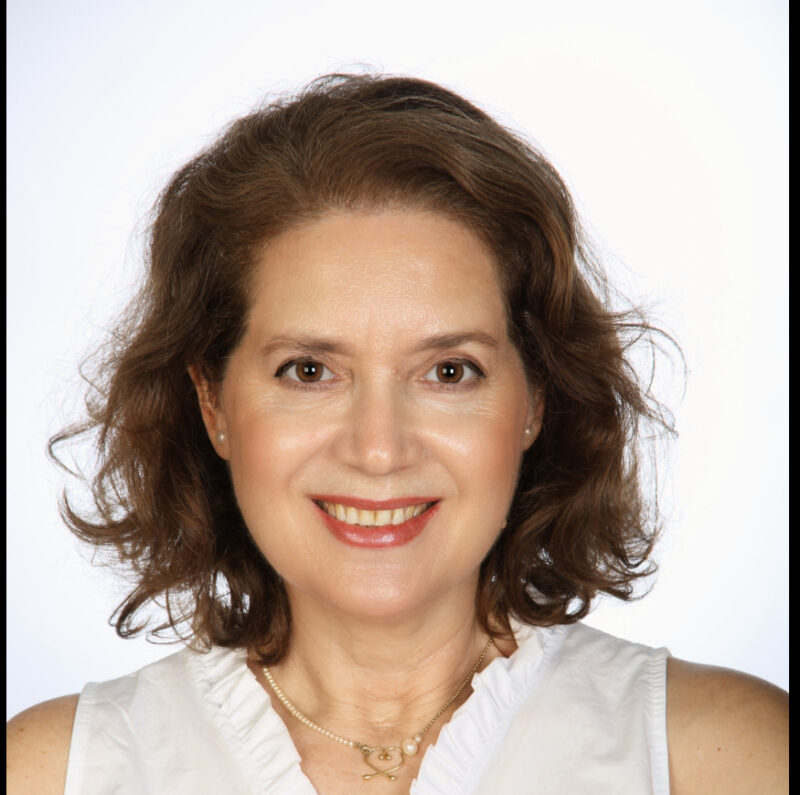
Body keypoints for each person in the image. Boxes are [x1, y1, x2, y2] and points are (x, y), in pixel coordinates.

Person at [7, 74, 787, 794]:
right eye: (309, 370)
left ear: (536, 398)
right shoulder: (52, 771)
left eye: (449, 371)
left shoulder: (727, 757)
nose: (378, 449)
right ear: (212, 402)